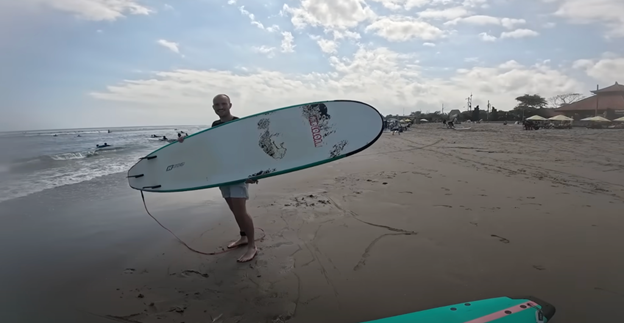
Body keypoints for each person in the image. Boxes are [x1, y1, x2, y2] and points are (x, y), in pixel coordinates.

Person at [178, 94, 258, 263]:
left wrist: (251, 173)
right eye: (216, 105)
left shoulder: (238, 124)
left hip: (238, 174)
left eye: (223, 103)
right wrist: (186, 140)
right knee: (233, 209)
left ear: (230, 105)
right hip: (222, 174)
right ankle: (243, 237)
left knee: (240, 211)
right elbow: (208, 145)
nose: (220, 107)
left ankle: (252, 246)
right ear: (213, 107)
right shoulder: (215, 125)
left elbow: (248, 148)